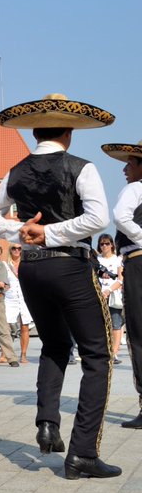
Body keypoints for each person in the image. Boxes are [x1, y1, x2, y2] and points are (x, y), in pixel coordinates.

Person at [0, 93, 118, 479]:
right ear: (69, 132)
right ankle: (83, 453)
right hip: (69, 265)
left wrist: (21, 231)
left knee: (54, 346)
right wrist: (49, 233)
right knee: (98, 356)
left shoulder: (17, 170)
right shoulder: (80, 167)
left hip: (33, 269)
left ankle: (47, 424)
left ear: (35, 131)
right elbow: (98, 218)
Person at [102, 139, 142, 428]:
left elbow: (119, 216)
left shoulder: (135, 188)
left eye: (130, 163)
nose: (125, 169)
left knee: (139, 333)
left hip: (138, 261)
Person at [94, 235, 125, 365]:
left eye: (107, 243)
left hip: (113, 295)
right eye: (101, 244)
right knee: (99, 324)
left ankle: (114, 352)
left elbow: (120, 279)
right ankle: (101, 351)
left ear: (112, 244)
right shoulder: (96, 259)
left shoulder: (118, 260)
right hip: (97, 295)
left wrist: (109, 290)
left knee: (116, 324)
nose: (104, 246)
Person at [4, 245, 33, 364]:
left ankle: (23, 354)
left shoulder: (26, 263)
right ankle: (5, 354)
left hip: (24, 297)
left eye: (19, 249)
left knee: (24, 326)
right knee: (5, 326)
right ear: (10, 250)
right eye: (14, 248)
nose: (17, 251)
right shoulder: (5, 265)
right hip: (10, 298)